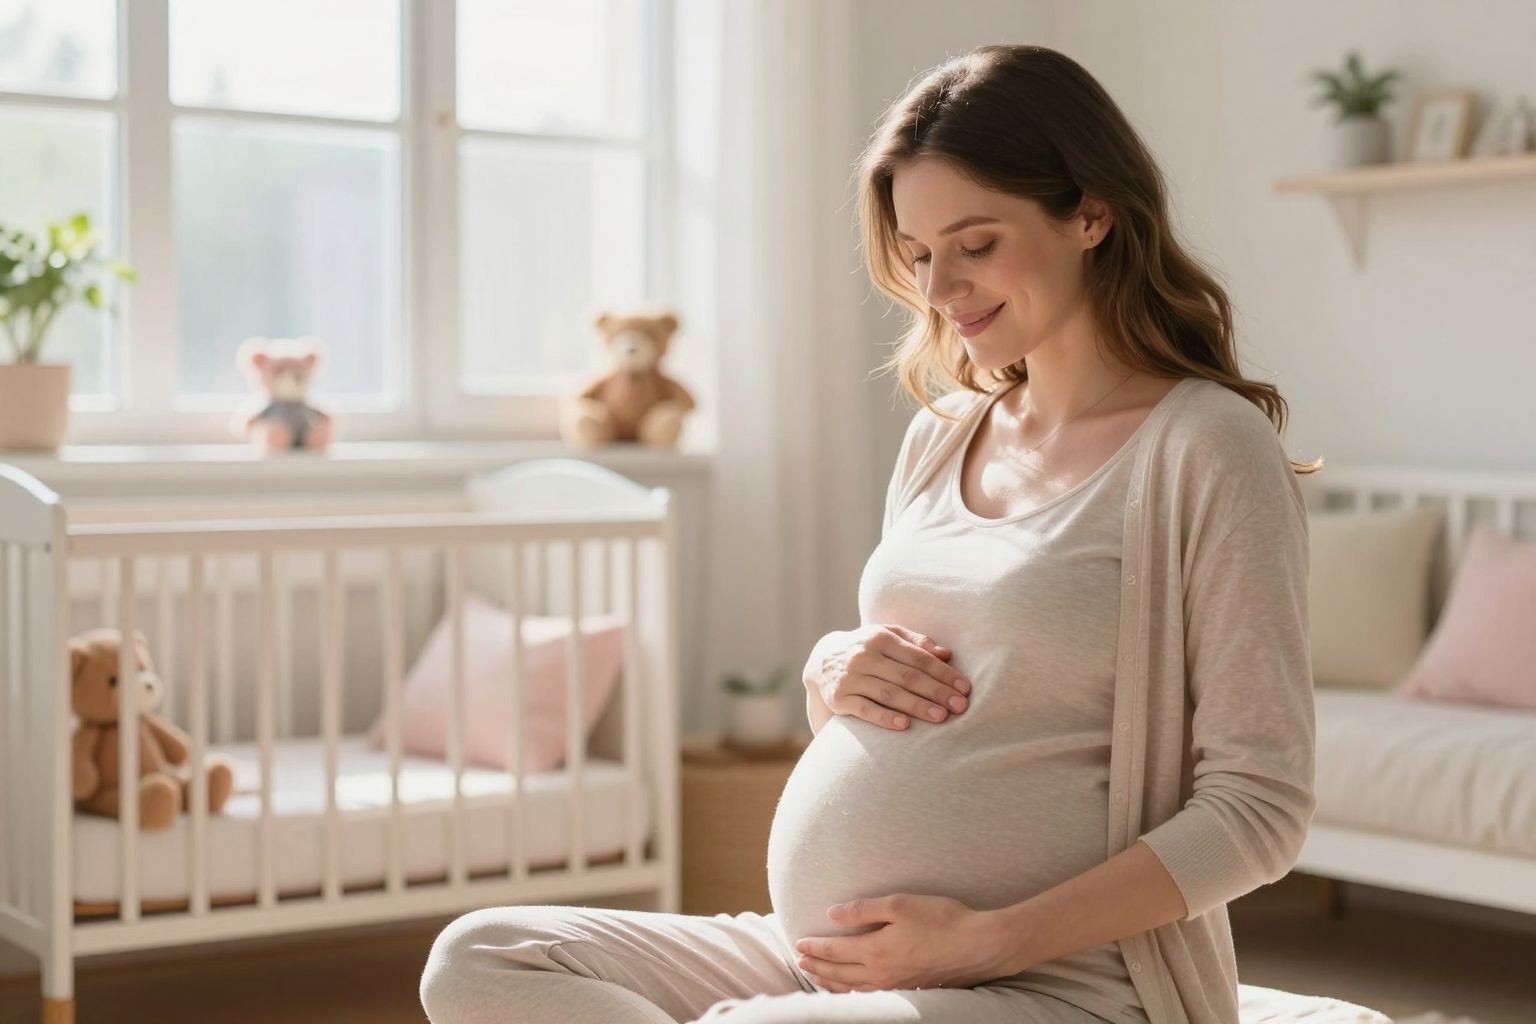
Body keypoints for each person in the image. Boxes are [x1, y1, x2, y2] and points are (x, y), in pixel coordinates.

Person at [419, 43, 1320, 1024]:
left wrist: (988, 937)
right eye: (921, 253)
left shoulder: (1205, 448)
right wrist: (831, 674)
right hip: (828, 959)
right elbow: (933, 704)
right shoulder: (942, 436)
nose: (940, 290)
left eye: (976, 244)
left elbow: (1260, 809)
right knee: (481, 957)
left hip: (1060, 983)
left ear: (1091, 213)